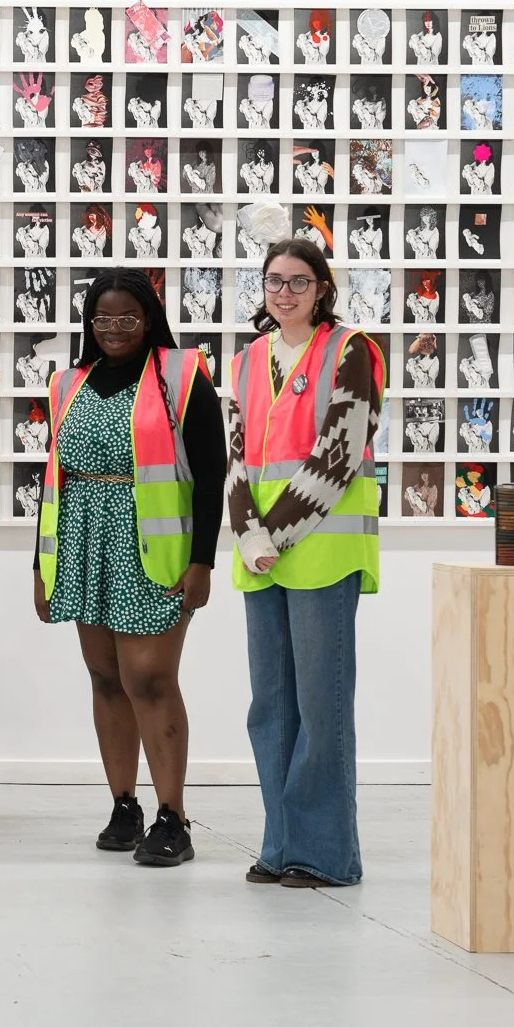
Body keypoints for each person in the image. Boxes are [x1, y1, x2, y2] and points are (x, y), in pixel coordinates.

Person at [33, 267, 223, 867]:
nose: (114, 328)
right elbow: (53, 478)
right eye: (103, 318)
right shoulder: (68, 383)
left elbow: (211, 475)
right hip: (82, 542)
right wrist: (40, 566)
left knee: (151, 678)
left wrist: (202, 561)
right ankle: (124, 805)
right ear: (89, 323)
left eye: (128, 318)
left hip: (153, 548)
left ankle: (173, 818)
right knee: (105, 677)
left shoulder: (182, 375)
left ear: (149, 320)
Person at [227, 238, 384, 888]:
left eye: (298, 281)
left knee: (322, 709)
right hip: (260, 554)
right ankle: (281, 844)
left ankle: (324, 855)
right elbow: (236, 457)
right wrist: (246, 534)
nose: (284, 292)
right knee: (270, 708)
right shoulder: (245, 360)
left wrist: (271, 535)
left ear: (322, 288)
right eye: (274, 280)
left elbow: (339, 452)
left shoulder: (351, 351)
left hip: (320, 549)